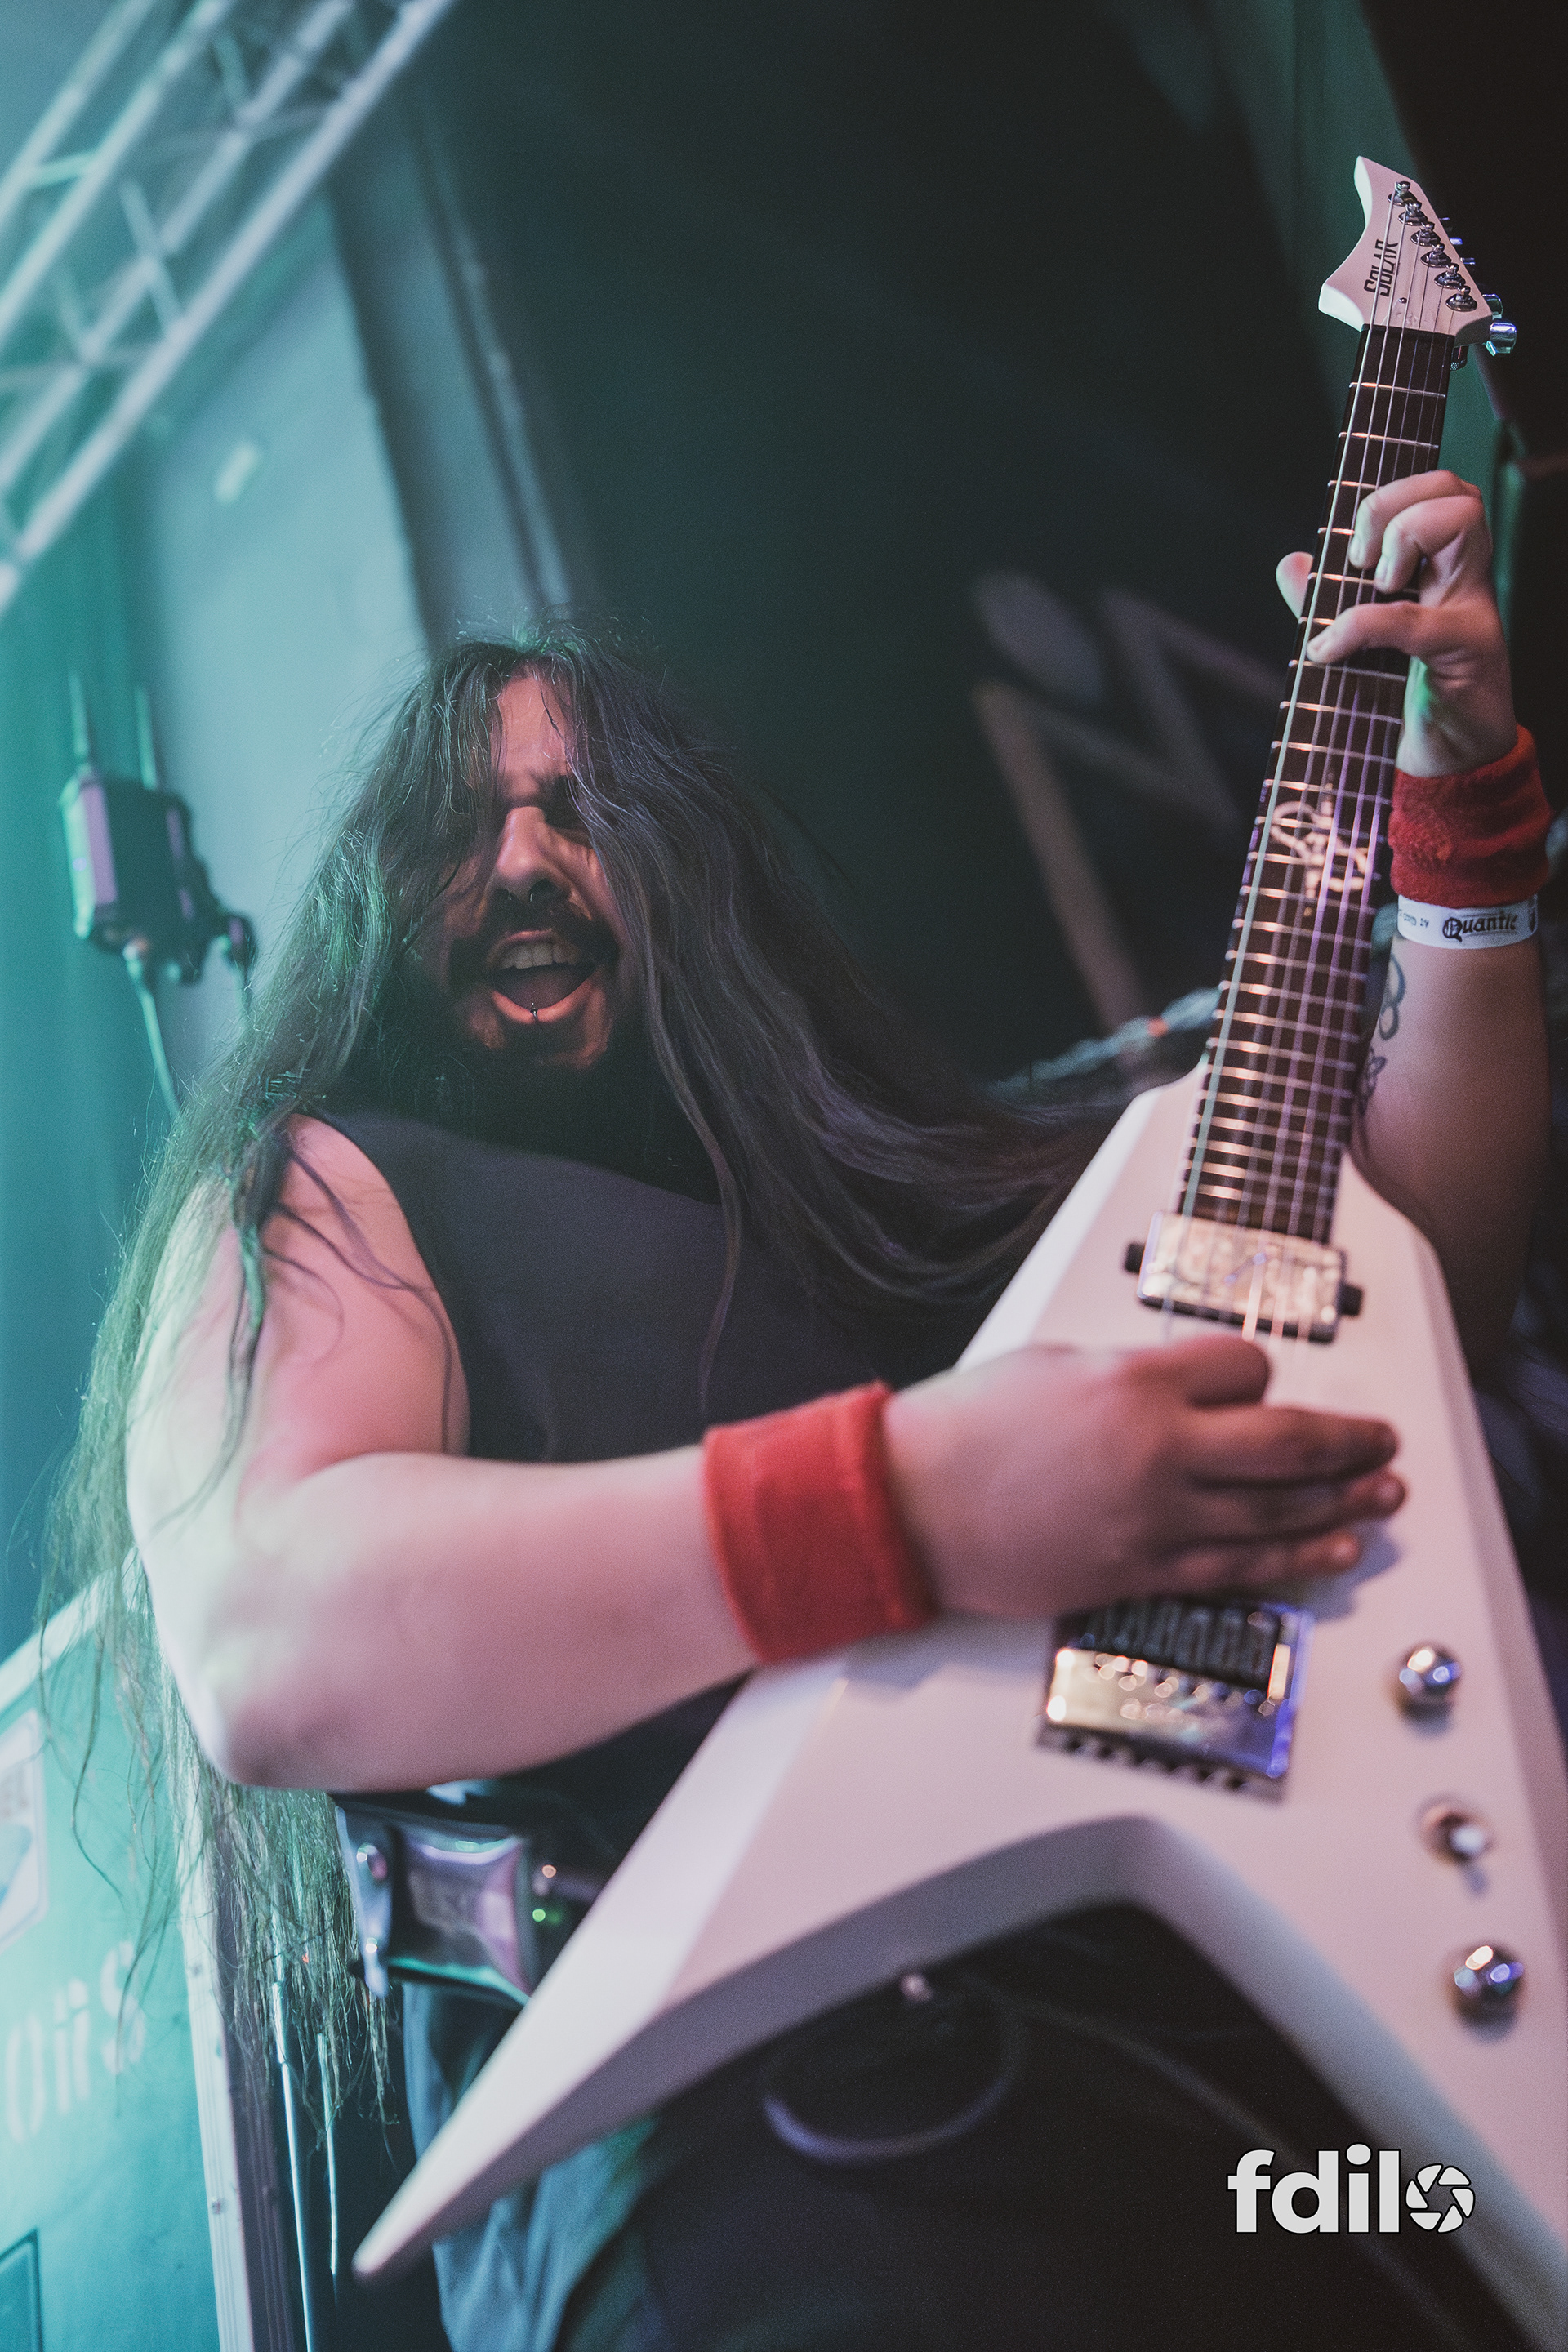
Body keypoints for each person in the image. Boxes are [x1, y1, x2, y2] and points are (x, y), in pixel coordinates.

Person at [74, 469, 1547, 2350]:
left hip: (1249, 2122)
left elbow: (1413, 1286)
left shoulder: (911, 1202)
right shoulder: (332, 1187)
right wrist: (908, 1503)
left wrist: (1465, 813)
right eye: (459, 824)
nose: (519, 865)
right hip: (770, 2171)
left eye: (582, 812)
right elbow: (268, 1634)